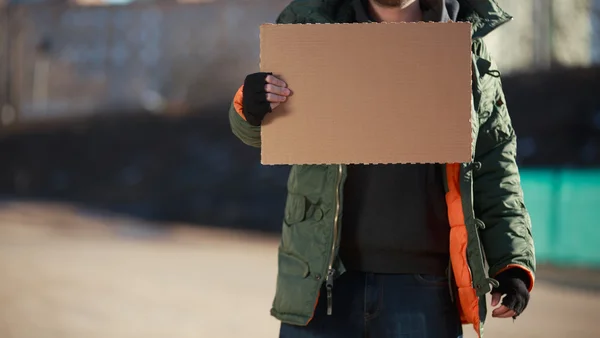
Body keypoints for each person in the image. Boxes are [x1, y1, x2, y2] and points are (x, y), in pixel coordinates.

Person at [228, 0, 536, 337]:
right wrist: (251, 104)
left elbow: (495, 166)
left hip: (425, 294)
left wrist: (513, 263)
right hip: (321, 284)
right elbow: (262, 131)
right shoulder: (312, 31)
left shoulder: (467, 52)